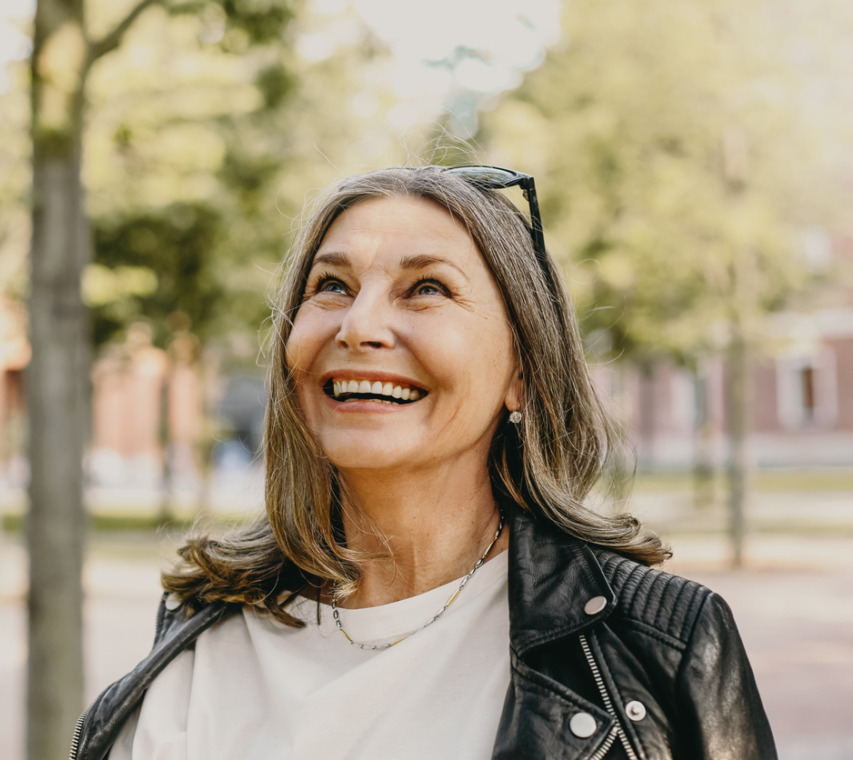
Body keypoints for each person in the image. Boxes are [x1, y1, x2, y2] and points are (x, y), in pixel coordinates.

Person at [71, 166, 776, 760]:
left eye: (427, 288)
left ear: (523, 372)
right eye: (332, 286)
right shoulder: (200, 645)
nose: (358, 326)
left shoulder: (662, 646)